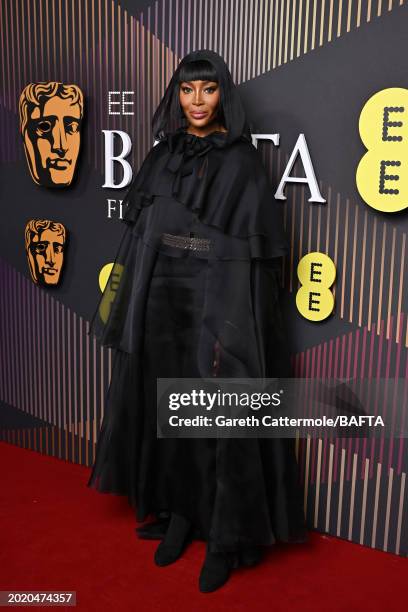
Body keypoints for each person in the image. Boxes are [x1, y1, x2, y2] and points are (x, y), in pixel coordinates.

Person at [87, 49, 308, 593]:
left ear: (221, 93)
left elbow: (253, 255)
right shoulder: (163, 155)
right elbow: (146, 234)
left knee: (212, 412)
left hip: (218, 298)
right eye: (187, 90)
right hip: (163, 296)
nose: (197, 101)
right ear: (176, 95)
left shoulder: (241, 161)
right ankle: (180, 514)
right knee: (164, 399)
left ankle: (223, 534)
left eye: (207, 90)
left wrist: (228, 310)